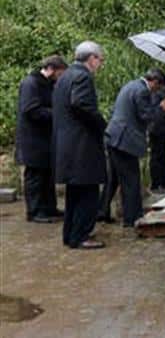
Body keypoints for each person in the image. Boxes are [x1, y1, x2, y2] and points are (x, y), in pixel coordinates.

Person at [53, 41, 107, 249]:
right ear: (92, 58)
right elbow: (81, 104)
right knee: (88, 192)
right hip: (82, 145)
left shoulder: (64, 76)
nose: (100, 65)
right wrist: (102, 125)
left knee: (74, 194)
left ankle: (70, 235)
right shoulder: (83, 76)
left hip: (67, 144)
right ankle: (81, 236)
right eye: (100, 60)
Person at [99, 69, 165, 226]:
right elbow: (146, 116)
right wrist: (161, 108)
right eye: (158, 88)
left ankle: (101, 211)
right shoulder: (142, 91)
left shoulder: (131, 85)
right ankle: (133, 218)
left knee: (113, 178)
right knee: (131, 180)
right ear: (155, 82)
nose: (156, 91)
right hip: (125, 141)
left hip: (113, 136)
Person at [15, 55, 68, 223]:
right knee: (35, 176)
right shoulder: (31, 83)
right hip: (32, 139)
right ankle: (34, 211)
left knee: (47, 175)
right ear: (51, 69)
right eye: (60, 73)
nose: (61, 77)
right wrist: (56, 114)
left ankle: (49, 208)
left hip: (45, 138)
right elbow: (30, 110)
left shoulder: (48, 84)